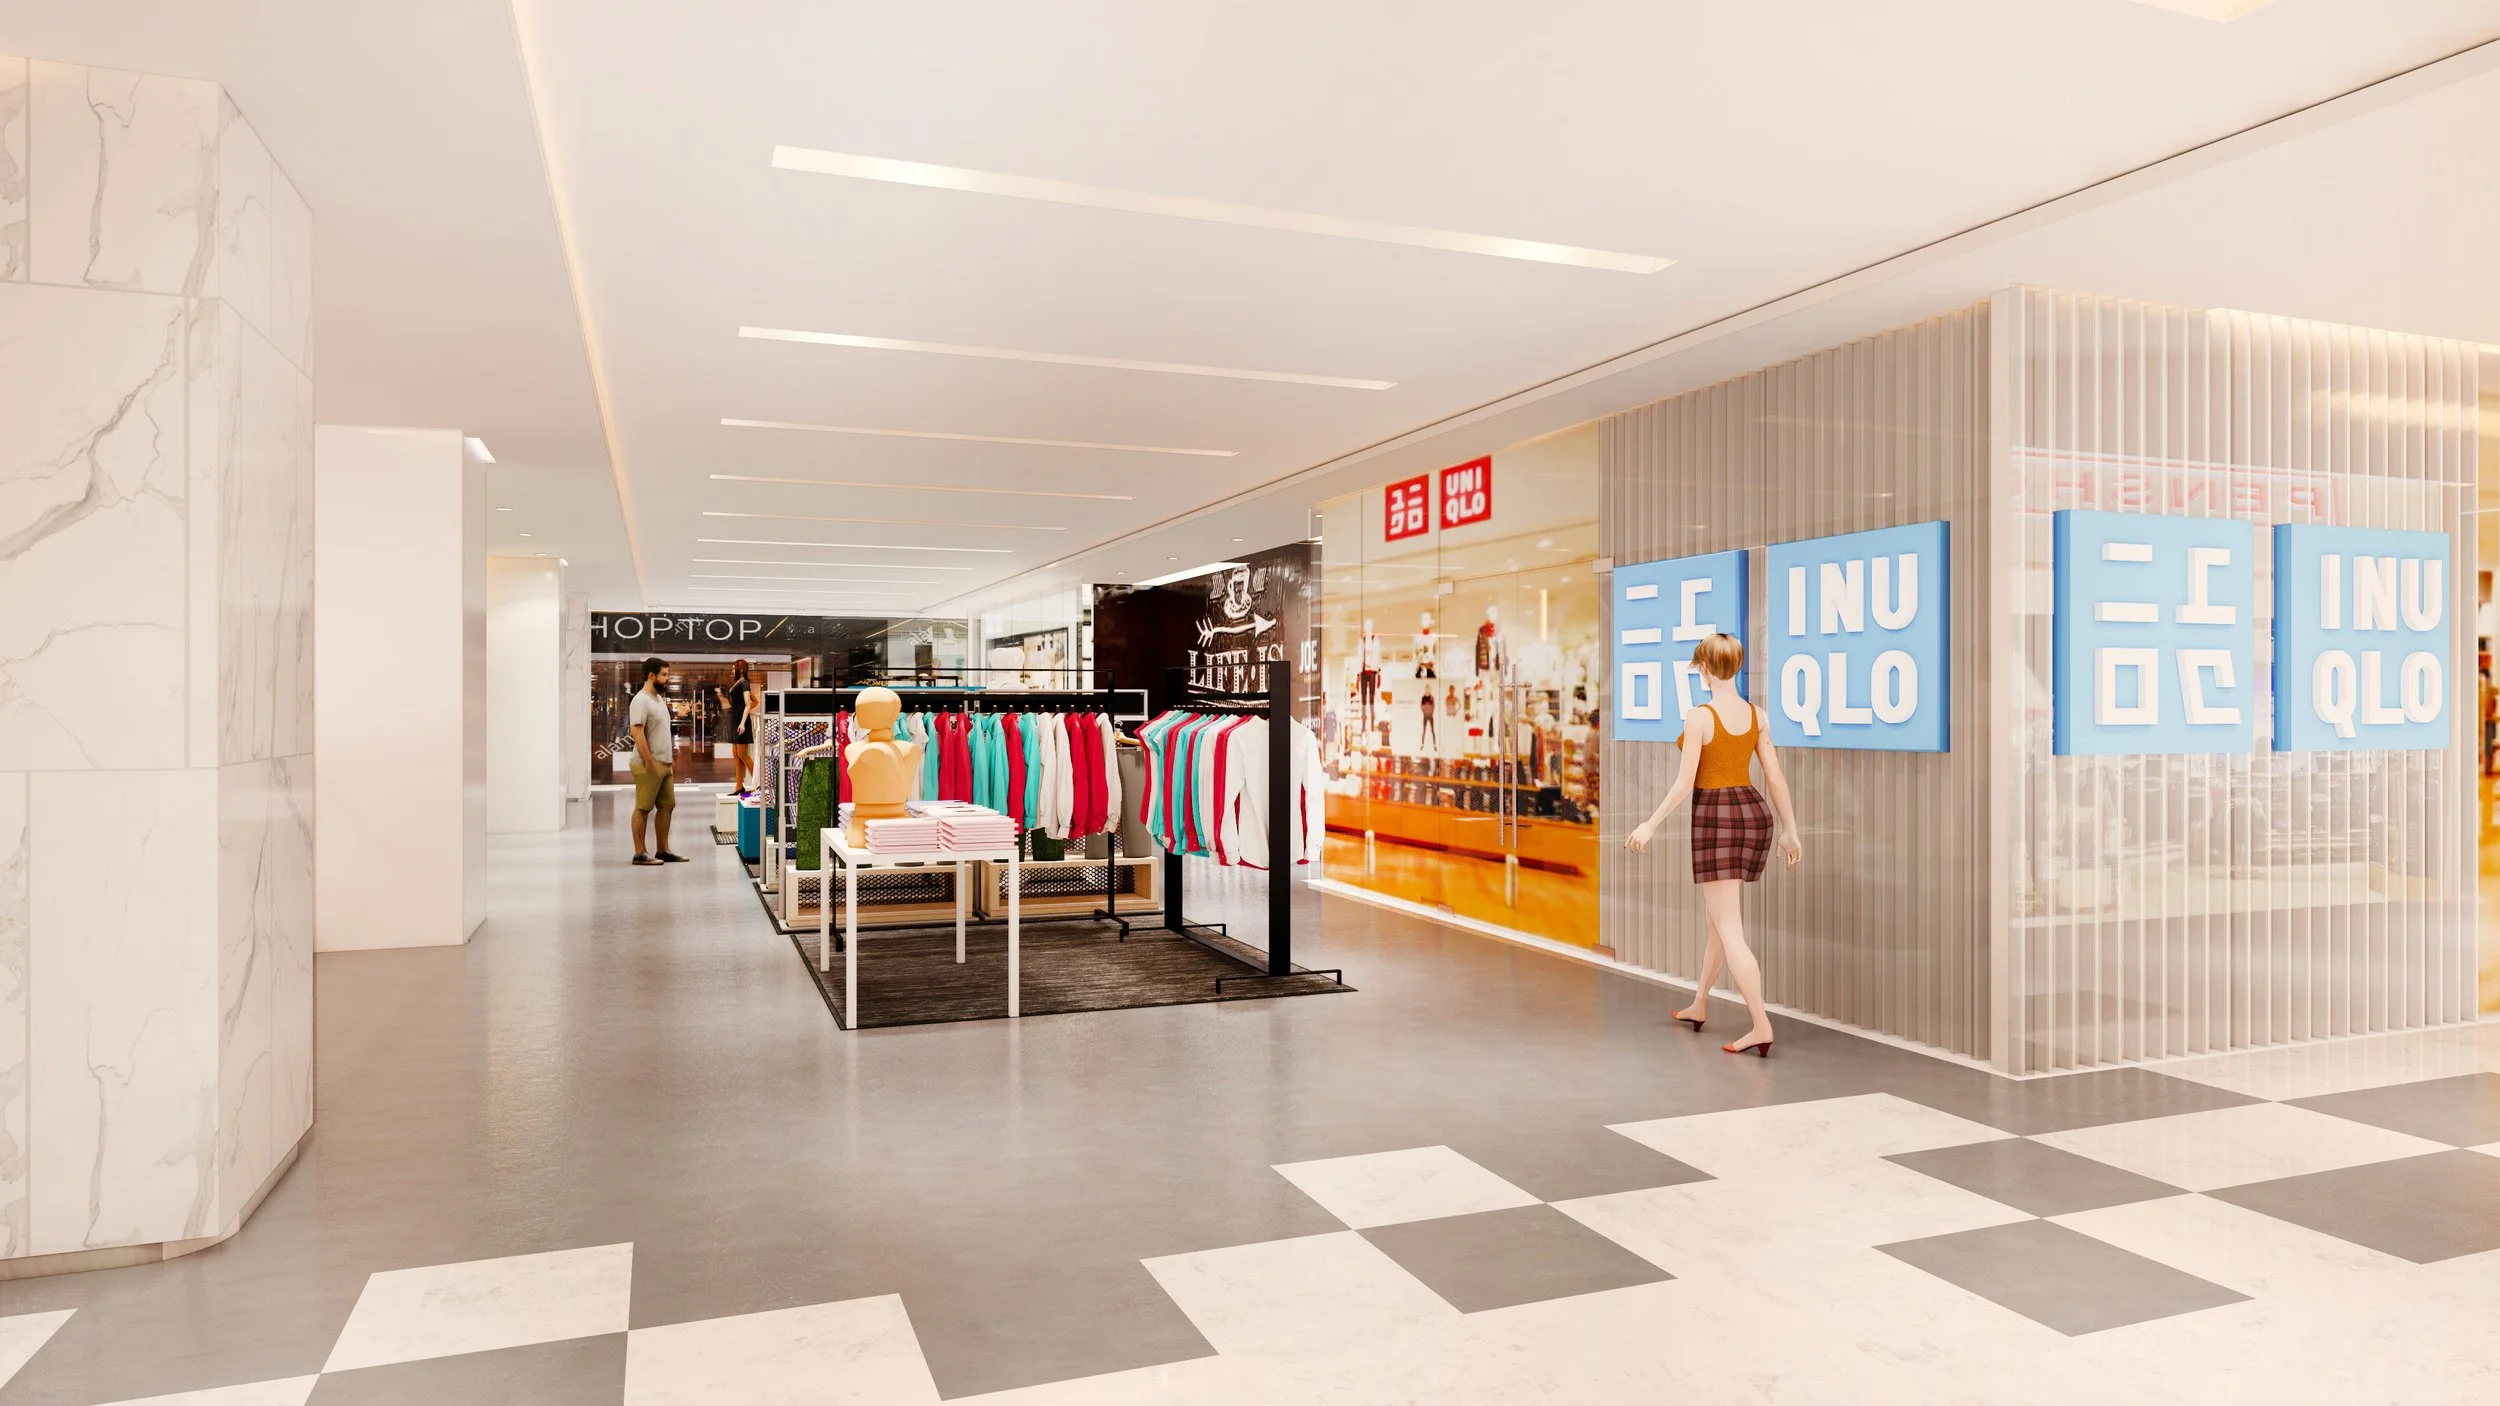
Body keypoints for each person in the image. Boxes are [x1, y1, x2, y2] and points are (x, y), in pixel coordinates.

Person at [1624, 634, 1800, 1056]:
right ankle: (1699, 1002)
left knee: (1729, 927)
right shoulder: (1756, 715)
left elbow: (1685, 783)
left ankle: (1760, 1024)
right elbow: (1773, 773)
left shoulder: (1700, 716)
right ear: (1737, 666)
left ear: (1704, 667)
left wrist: (1650, 823)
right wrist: (1791, 828)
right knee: (1717, 921)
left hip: (1716, 816)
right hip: (1752, 812)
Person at [629, 657, 687, 866]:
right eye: (664, 675)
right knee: (643, 807)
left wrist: (668, 759)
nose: (667, 678)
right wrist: (649, 761)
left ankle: (663, 850)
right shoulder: (641, 700)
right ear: (651, 675)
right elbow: (636, 731)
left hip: (664, 763)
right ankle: (639, 853)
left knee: (667, 805)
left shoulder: (659, 700)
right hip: (647, 763)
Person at [718, 659, 759, 794]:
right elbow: (755, 701)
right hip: (735, 719)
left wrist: (743, 720)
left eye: (734, 668)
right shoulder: (739, 683)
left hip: (740, 722)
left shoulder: (743, 682)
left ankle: (758, 784)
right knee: (736, 754)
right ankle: (738, 787)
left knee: (742, 754)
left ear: (741, 669)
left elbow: (749, 704)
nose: (732, 670)